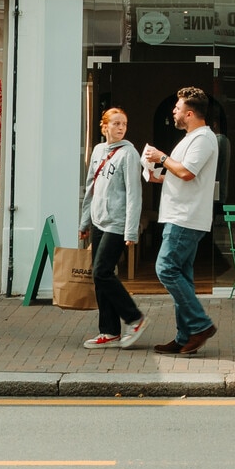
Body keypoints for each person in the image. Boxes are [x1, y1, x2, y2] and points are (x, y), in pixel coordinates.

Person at [142, 85, 219, 355]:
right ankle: (184, 336)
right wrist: (157, 174)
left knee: (166, 269)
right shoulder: (191, 138)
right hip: (180, 215)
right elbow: (180, 173)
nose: (173, 111)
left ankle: (200, 325)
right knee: (181, 276)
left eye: (177, 108)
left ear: (189, 114)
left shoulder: (203, 139)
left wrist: (161, 157)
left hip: (185, 217)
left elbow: (187, 173)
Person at [78, 107, 146, 350]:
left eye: (124, 124)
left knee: (101, 272)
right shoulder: (98, 150)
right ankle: (109, 331)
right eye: (116, 123)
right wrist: (85, 222)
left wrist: (130, 231)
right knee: (101, 278)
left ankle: (134, 317)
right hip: (98, 221)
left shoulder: (129, 154)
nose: (120, 127)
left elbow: (134, 194)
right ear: (104, 126)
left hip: (117, 223)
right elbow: (90, 187)